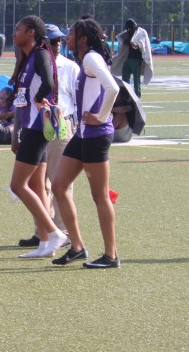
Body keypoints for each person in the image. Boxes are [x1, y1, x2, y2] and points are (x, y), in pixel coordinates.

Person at [52, 17, 120, 269]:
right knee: (59, 186)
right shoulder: (85, 60)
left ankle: (111, 256)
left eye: (71, 34)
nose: (67, 38)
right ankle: (77, 248)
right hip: (83, 134)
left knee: (100, 195)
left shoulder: (91, 58)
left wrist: (100, 116)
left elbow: (113, 88)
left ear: (83, 39)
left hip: (96, 135)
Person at [9, 15, 67, 258]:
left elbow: (49, 83)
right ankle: (45, 243)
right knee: (35, 185)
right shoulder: (27, 57)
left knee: (17, 185)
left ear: (31, 32)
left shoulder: (41, 53)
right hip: (30, 127)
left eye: (19, 29)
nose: (15, 33)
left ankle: (54, 233)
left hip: (37, 128)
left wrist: (39, 99)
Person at [19, 23, 80, 247]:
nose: (57, 44)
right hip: (36, 125)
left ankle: (62, 231)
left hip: (60, 125)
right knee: (37, 183)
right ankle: (43, 232)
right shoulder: (34, 60)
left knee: (59, 182)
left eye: (59, 40)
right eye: (52, 40)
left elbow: (77, 100)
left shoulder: (70, 67)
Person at [111, 19, 153, 97]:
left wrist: (136, 44)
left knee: (136, 79)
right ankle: (126, 94)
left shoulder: (141, 32)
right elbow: (123, 41)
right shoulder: (128, 33)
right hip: (127, 59)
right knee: (125, 79)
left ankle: (137, 95)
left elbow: (141, 43)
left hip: (136, 60)